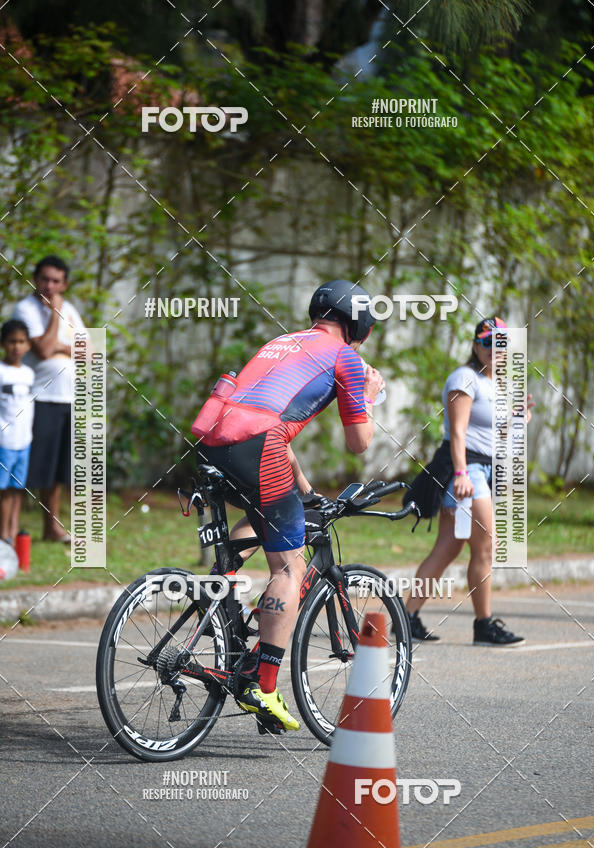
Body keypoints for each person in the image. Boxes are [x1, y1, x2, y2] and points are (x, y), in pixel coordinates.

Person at [191, 279, 383, 732]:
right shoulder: (346, 358)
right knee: (288, 569)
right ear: (358, 323)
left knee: (259, 517)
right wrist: (370, 393)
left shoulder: (281, 341)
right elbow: (360, 443)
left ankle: (218, 595)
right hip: (259, 446)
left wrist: (304, 487)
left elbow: (264, 414)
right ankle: (265, 686)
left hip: (212, 440)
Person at [406, 316, 533, 646]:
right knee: (485, 547)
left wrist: (519, 421)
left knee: (448, 548)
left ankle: (406, 618)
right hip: (465, 470)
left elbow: (501, 440)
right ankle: (483, 625)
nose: (494, 350)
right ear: (476, 345)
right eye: (488, 343)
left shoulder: (500, 385)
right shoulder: (465, 378)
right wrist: (462, 475)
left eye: (501, 344)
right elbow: (458, 433)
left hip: (487, 469)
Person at [13, 256, 86, 542]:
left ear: (65, 283)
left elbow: (89, 350)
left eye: (56, 281)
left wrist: (59, 346)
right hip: (38, 398)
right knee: (29, 466)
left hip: (68, 399)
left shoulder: (71, 308)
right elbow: (43, 350)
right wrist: (55, 317)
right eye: (44, 279)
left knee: (57, 469)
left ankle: (51, 527)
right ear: (35, 279)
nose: (49, 286)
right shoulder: (25, 309)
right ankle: (10, 531)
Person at [0, 320, 34, 544]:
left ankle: (12, 531)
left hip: (24, 441)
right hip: (4, 442)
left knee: (17, 488)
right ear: (3, 343)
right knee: (2, 489)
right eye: (12, 341)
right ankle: (3, 534)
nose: (16, 347)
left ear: (28, 345)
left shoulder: (30, 374)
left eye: (21, 341)